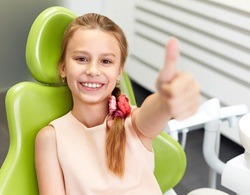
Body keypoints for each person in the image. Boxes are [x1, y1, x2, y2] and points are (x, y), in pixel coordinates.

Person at [35, 13, 200, 195]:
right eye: (81, 59)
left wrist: (166, 99)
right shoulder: (51, 138)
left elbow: (155, 111)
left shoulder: (133, 123)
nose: (92, 70)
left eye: (106, 61)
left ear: (119, 72)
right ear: (63, 68)